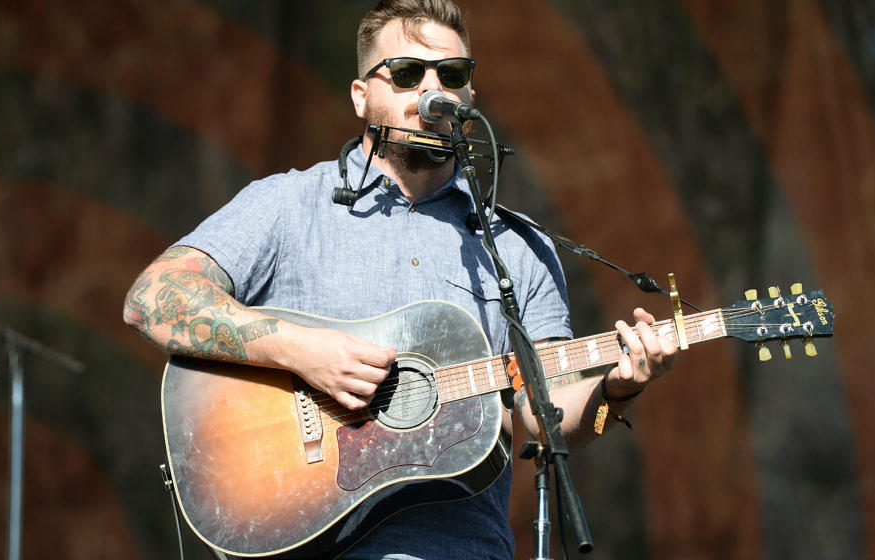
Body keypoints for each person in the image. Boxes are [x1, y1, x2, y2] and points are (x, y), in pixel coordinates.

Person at [122, 1, 677, 558]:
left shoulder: (519, 247)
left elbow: (542, 419)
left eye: (452, 75)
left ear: (468, 99)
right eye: (408, 73)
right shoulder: (288, 204)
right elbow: (153, 300)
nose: (431, 89)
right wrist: (300, 350)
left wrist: (618, 389)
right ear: (362, 97)